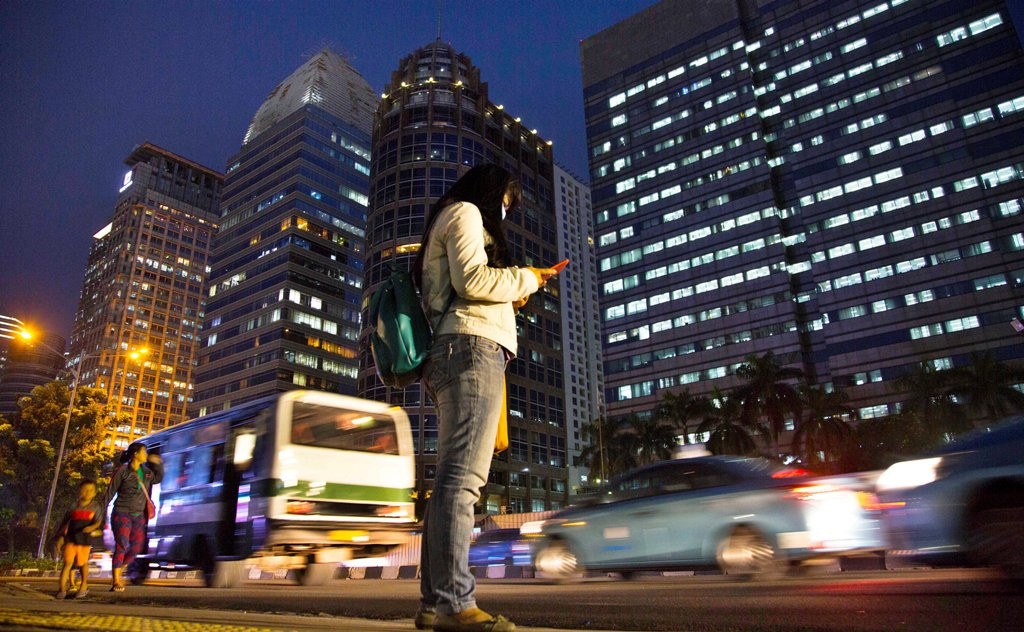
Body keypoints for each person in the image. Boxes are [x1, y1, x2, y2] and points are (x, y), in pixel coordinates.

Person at [412, 164, 556, 632]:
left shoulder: (453, 217)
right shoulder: (467, 213)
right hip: (470, 348)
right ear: (492, 193)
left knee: (450, 484)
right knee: (463, 482)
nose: (504, 215)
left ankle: (436, 602)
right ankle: (456, 605)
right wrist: (527, 279)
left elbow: (466, 286)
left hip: (457, 349)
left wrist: (511, 294)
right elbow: (473, 281)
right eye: (506, 205)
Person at [102, 442, 162, 592]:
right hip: (122, 513)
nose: (146, 455)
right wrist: (99, 514)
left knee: (136, 547)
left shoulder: (147, 472)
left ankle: (120, 568)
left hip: (139, 515)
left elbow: (157, 479)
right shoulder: (122, 471)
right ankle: (116, 580)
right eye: (144, 452)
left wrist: (158, 465)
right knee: (121, 544)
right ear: (135, 454)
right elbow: (109, 493)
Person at [55, 479, 103, 599]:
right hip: (71, 539)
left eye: (91, 490)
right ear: (80, 491)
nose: (88, 492)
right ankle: (62, 590)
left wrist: (91, 527)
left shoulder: (96, 507)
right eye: (85, 490)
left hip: (84, 541)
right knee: (67, 564)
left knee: (83, 564)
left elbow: (98, 522)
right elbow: (65, 522)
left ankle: (83, 585)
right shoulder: (73, 506)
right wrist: (60, 537)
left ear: (95, 493)